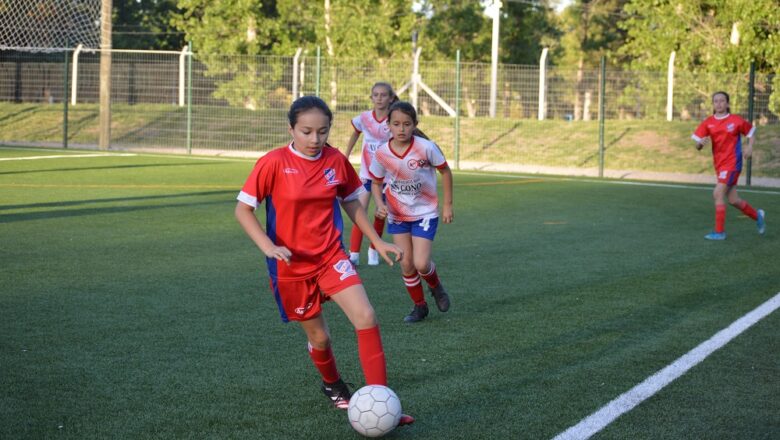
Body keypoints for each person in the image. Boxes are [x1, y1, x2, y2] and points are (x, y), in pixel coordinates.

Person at [235, 96, 414, 425]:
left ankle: (383, 402)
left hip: (331, 256)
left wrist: (377, 241)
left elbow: (351, 203)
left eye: (323, 131)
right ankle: (333, 385)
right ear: (291, 129)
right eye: (306, 131)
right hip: (290, 267)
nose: (315, 139)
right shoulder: (272, 162)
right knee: (320, 338)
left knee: (366, 315)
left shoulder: (335, 160)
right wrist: (268, 247)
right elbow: (243, 209)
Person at [369, 101, 453, 323]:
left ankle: (436, 287)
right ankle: (419, 307)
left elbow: (445, 171)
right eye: (396, 124)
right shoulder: (382, 153)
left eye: (407, 124)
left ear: (415, 124)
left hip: (425, 212)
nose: (402, 129)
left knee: (422, 263)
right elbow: (376, 183)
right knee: (406, 264)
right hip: (398, 215)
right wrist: (379, 204)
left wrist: (447, 205)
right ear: (388, 125)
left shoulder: (426, 147)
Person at [692, 91, 766, 240]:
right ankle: (757, 216)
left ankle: (719, 232)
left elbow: (751, 132)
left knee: (718, 193)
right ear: (713, 104)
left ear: (727, 103)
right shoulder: (708, 122)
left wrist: (750, 147)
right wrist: (699, 144)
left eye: (722, 101)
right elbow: (698, 144)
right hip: (719, 165)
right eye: (716, 101)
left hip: (733, 163)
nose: (719, 104)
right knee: (733, 200)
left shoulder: (736, 120)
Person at [344, 82, 396, 266]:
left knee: (381, 212)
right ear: (371, 98)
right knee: (359, 212)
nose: (379, 98)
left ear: (391, 98)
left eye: (383, 95)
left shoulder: (394, 119)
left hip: (388, 177)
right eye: (376, 95)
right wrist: (346, 154)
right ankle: (354, 254)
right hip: (367, 174)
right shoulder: (364, 118)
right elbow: (355, 133)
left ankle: (374, 249)